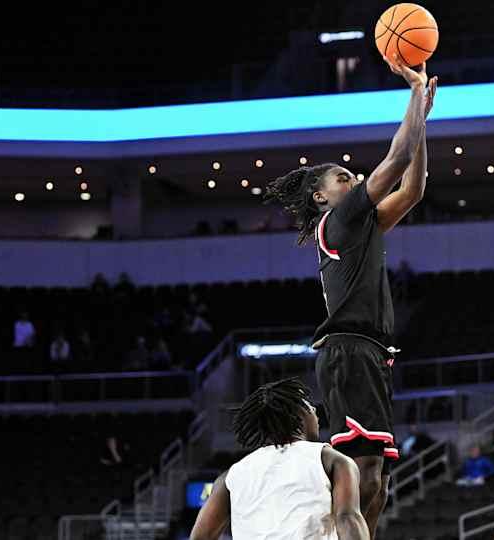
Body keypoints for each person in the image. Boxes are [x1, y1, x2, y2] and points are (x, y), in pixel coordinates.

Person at [264, 53, 437, 538]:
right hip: (349, 350)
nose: (354, 179)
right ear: (321, 196)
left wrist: (419, 123)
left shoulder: (362, 226)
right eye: (343, 178)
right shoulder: (337, 221)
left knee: (377, 487)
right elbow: (396, 161)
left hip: (371, 354)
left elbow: (414, 187)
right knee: (360, 481)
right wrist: (414, 97)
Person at [189, 378, 369, 540]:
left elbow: (200, 537)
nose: (315, 410)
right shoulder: (330, 459)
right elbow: (348, 519)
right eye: (308, 405)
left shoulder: (230, 477)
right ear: (296, 414)